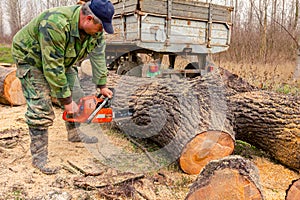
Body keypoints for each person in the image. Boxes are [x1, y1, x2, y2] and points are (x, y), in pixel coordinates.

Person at [11, 0, 114, 175]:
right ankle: (39, 157)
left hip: (63, 60)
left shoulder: (95, 33)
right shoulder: (56, 23)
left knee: (78, 96)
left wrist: (102, 85)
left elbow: (98, 56)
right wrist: (65, 101)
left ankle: (74, 134)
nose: (101, 31)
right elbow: (52, 66)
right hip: (31, 59)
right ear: (88, 19)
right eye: (100, 27)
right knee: (41, 106)